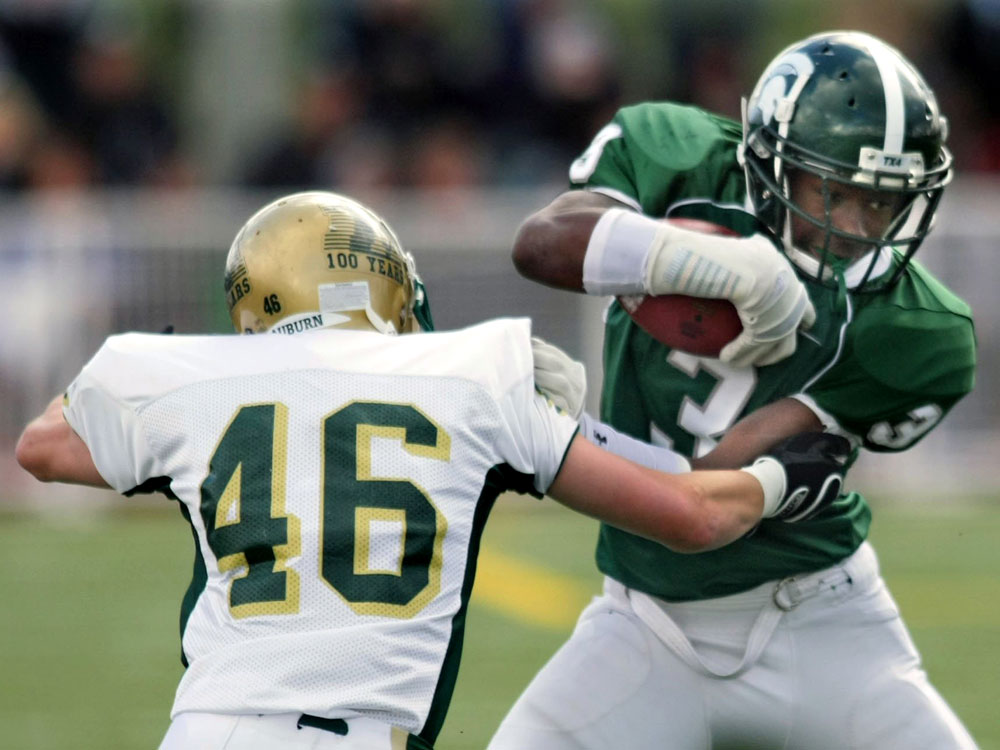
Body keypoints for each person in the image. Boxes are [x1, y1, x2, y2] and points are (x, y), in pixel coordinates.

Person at [15, 191, 848, 750]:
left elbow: (42, 445)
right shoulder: (477, 375)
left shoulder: (181, 387)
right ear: (381, 282)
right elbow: (693, 514)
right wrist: (784, 476)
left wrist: (170, 366)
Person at [489, 31, 978, 750]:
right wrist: (705, 263)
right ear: (773, 159)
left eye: (880, 203)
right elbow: (542, 243)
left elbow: (699, 490)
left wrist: (568, 439)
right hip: (643, 625)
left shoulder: (917, 332)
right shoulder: (677, 153)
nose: (856, 228)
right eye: (835, 191)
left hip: (819, 621)